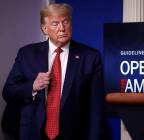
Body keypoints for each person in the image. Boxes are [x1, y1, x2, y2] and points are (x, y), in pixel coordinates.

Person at [2, 3, 106, 140]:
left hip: (74, 134)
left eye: (66, 22)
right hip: (33, 133)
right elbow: (8, 91)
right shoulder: (27, 54)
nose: (62, 28)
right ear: (44, 29)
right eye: (55, 24)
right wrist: (33, 86)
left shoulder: (90, 57)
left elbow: (96, 109)